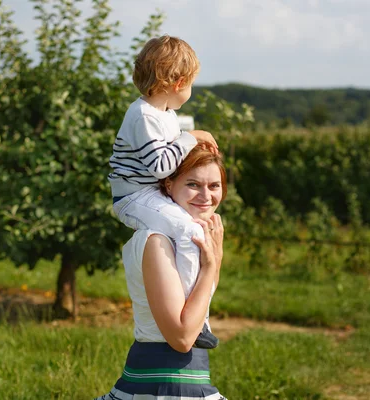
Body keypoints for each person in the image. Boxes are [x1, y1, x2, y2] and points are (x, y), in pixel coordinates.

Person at [108, 35, 220, 349]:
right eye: (192, 84)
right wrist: (191, 136)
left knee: (192, 229)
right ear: (178, 82)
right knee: (188, 230)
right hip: (134, 197)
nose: (190, 91)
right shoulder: (142, 115)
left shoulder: (165, 115)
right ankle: (191, 319)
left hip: (149, 193)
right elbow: (160, 166)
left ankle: (198, 316)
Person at [95, 146, 227, 400]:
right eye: (193, 184)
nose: (206, 195)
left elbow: (201, 310)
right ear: (168, 185)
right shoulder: (155, 240)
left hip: (193, 381)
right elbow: (182, 337)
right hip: (159, 387)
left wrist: (214, 260)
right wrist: (212, 266)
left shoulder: (193, 241)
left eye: (214, 185)